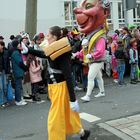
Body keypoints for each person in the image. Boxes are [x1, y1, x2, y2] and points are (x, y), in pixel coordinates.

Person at [28, 26, 90, 140]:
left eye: (48, 35)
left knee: (55, 118)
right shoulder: (54, 49)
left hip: (60, 87)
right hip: (54, 87)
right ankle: (82, 133)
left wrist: (73, 99)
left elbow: (68, 76)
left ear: (55, 37)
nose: (46, 37)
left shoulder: (63, 53)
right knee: (68, 114)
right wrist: (28, 50)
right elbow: (44, 54)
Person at [74, 0, 110, 101]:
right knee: (99, 77)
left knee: (90, 77)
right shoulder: (90, 35)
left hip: (97, 60)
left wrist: (92, 55)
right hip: (92, 60)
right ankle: (102, 92)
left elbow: (100, 50)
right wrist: (76, 54)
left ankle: (88, 96)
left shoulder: (100, 36)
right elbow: (85, 49)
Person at [11, 39, 28, 106]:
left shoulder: (16, 51)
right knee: (18, 86)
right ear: (16, 45)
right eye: (19, 43)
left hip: (18, 71)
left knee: (18, 85)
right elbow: (20, 63)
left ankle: (18, 99)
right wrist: (26, 68)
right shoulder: (15, 52)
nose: (20, 44)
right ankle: (18, 100)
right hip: (17, 71)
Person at [0, 41, 11, 107]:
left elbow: (8, 63)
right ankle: (1, 102)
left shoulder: (6, 53)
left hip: (5, 71)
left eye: (1, 45)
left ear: (3, 46)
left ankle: (5, 100)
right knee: (1, 87)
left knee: (5, 87)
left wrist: (9, 72)